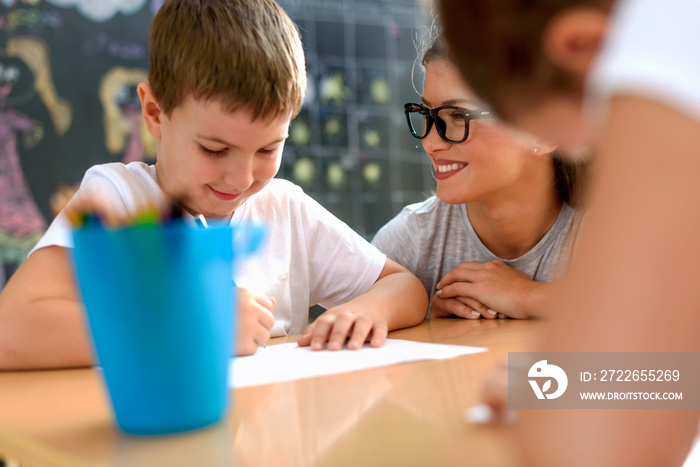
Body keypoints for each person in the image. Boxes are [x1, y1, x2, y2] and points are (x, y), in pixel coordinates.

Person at [0, 0, 428, 371]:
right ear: (153, 112)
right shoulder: (118, 200)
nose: (242, 179)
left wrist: (367, 309)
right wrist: (193, 328)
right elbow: (11, 331)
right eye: (214, 149)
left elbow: (404, 287)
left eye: (267, 150)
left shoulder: (285, 209)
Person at [438, 0, 700, 465]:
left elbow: (599, 447)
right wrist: (572, 381)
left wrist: (565, 389)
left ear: (585, 47)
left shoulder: (667, 28)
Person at [372, 33, 585, 321]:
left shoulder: (610, 228)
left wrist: (528, 296)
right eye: (427, 114)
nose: (430, 143)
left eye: (458, 115)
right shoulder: (407, 246)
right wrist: (426, 321)